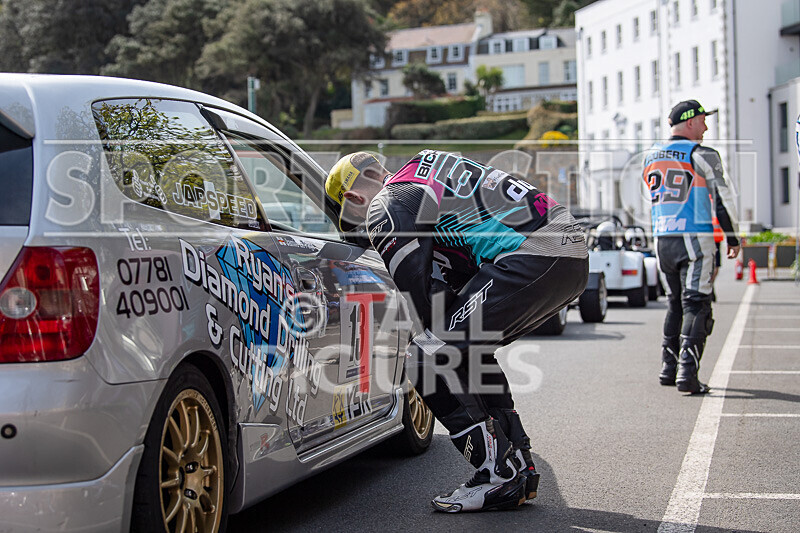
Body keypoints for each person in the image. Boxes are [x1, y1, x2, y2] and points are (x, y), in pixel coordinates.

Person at [325, 151, 588, 512]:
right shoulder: (424, 170)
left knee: (423, 358)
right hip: (567, 251)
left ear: (354, 198)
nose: (360, 233)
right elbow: (458, 289)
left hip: (533, 253)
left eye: (351, 219)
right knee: (467, 349)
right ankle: (519, 467)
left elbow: (418, 295)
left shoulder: (386, 201)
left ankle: (498, 475)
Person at [642, 100, 740, 394]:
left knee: (674, 303)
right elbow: (723, 199)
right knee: (697, 304)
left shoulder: (651, 155)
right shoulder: (703, 154)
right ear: (689, 122)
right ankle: (688, 372)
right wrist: (733, 237)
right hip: (694, 237)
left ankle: (668, 368)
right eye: (702, 120)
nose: (706, 127)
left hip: (663, 238)